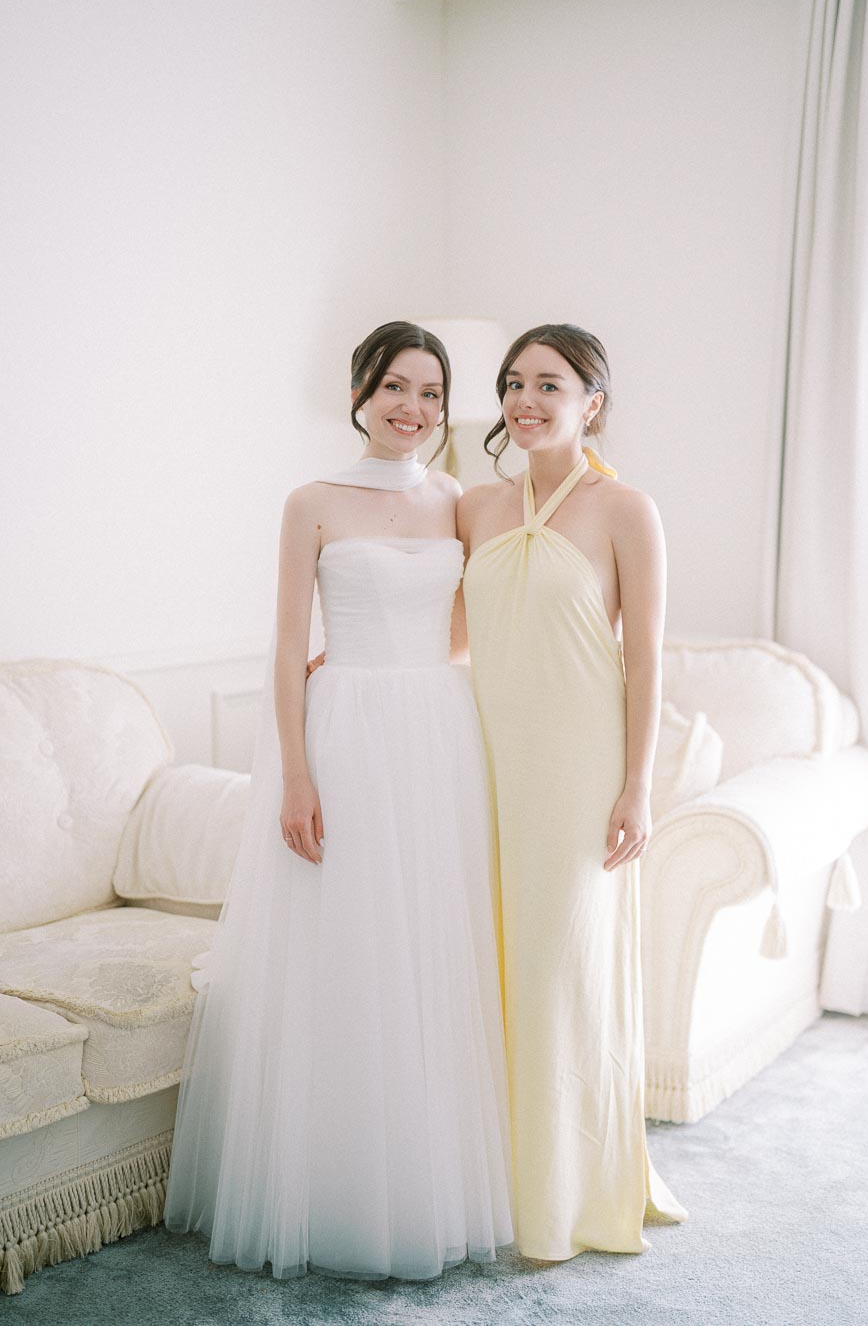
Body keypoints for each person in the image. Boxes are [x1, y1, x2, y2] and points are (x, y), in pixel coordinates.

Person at [164, 321, 512, 1281]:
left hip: (436, 733)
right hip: (342, 733)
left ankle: (425, 1177)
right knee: (347, 944)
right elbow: (283, 645)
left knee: (427, 946)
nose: (415, 409)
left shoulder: (457, 500)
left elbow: (465, 629)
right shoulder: (311, 500)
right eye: (397, 387)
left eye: (433, 394)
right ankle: (333, 1189)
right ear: (360, 392)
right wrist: (298, 770)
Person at [457, 323, 687, 1260]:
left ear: (591, 401)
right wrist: (334, 664)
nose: (526, 399)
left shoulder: (625, 509)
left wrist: (636, 786)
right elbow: (451, 636)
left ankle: (566, 1200)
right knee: (490, 969)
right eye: (514, 382)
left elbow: (646, 663)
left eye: (549, 384)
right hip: (483, 758)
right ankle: (494, 1182)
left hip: (577, 769)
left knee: (558, 974)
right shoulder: (473, 506)